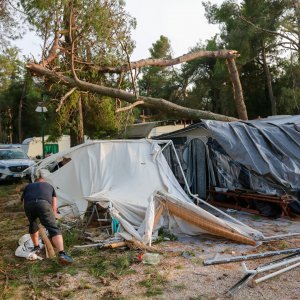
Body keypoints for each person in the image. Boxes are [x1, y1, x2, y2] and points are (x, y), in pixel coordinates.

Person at [21, 171, 73, 264]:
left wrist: (29, 215)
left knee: (33, 225)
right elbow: (54, 206)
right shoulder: (49, 186)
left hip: (28, 205)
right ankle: (62, 254)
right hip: (43, 204)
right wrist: (53, 218)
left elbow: (24, 201)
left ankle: (36, 248)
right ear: (43, 181)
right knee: (53, 228)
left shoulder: (28, 186)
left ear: (35, 182)